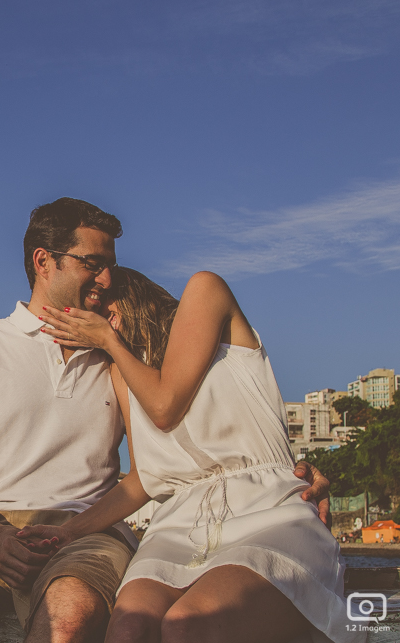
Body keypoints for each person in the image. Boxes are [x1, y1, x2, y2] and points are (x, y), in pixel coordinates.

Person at [0, 199, 330, 643]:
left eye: (110, 267)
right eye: (91, 263)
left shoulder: (119, 358)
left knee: (71, 613)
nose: (106, 279)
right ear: (43, 261)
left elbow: (174, 450)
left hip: (84, 536)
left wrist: (289, 470)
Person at [23, 267, 358, 642]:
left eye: (104, 302)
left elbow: (165, 408)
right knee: (129, 628)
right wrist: (67, 533)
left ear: (137, 292)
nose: (99, 317)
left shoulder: (205, 292)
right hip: (177, 526)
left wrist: (110, 341)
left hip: (267, 511)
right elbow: (144, 479)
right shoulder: (123, 374)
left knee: (186, 624)